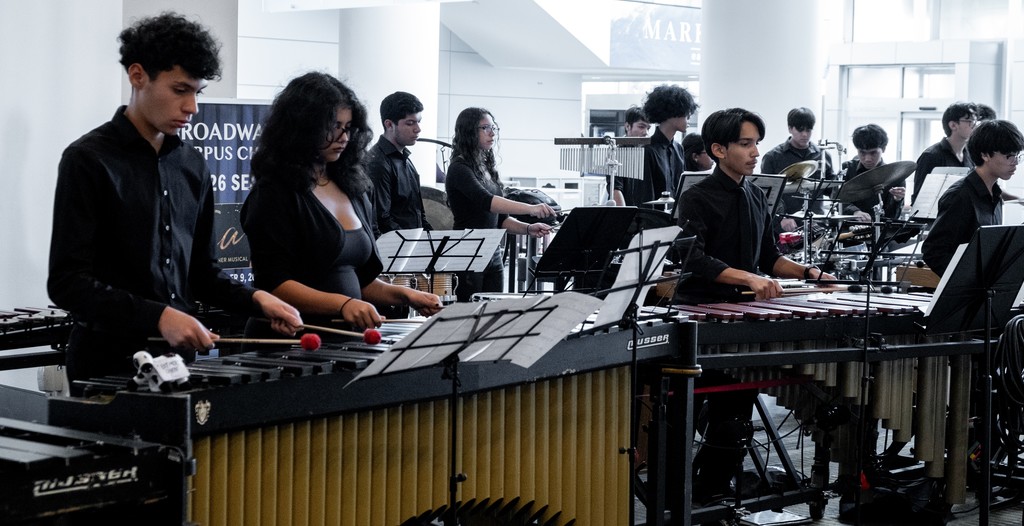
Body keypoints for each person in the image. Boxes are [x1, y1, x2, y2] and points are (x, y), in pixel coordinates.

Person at [47, 12, 303, 390]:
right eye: (180, 90)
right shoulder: (88, 160)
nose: (192, 108)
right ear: (138, 76)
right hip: (106, 363)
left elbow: (202, 274)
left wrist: (257, 300)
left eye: (197, 93)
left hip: (179, 363)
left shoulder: (192, 165)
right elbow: (68, 282)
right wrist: (159, 317)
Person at [673, 108, 836, 506]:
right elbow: (692, 259)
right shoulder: (696, 198)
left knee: (736, 415)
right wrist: (747, 278)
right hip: (702, 315)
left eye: (757, 143)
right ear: (718, 149)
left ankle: (714, 491)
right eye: (745, 144)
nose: (755, 152)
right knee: (704, 416)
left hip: (743, 317)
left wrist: (810, 272)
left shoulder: (754, 195)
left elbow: (769, 257)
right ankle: (687, 493)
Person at [241, 72, 443, 335]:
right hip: (293, 339)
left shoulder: (353, 188)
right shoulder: (274, 193)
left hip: (345, 339)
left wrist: (404, 295)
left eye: (347, 128)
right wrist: (343, 304)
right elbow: (273, 283)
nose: (343, 137)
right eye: (334, 126)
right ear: (301, 128)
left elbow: (357, 280)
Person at [444, 107, 556, 302]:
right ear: (469, 131)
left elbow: (500, 220)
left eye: (493, 127)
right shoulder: (459, 168)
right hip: (468, 252)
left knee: (493, 314)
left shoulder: (485, 167)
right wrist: (531, 208)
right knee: (468, 316)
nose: (492, 133)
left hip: (493, 252)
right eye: (485, 128)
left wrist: (528, 228)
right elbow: (487, 202)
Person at [922, 119, 1024, 276]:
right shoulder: (960, 195)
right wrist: (969, 281)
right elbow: (934, 252)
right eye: (1009, 156)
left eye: (1018, 155)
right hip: (967, 295)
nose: (1015, 162)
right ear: (985, 154)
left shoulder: (995, 195)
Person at [614, 85, 697, 207]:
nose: (689, 118)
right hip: (654, 221)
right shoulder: (647, 151)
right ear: (672, 113)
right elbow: (644, 198)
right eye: (685, 113)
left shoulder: (678, 149)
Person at [760, 107, 836, 233]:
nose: (805, 134)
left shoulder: (823, 156)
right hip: (785, 227)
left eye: (808, 129)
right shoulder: (772, 157)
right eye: (800, 130)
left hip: (816, 224)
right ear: (790, 128)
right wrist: (781, 217)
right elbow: (767, 193)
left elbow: (831, 189)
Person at [367, 91, 433, 235]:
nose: (418, 129)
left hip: (412, 246)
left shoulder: (406, 159)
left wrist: (432, 238)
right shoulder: (377, 163)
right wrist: (414, 243)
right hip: (396, 250)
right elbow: (381, 220)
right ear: (389, 124)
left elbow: (418, 213)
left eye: (418, 121)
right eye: (410, 123)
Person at [911, 101, 977, 203]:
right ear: (953, 125)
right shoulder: (930, 155)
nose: (974, 125)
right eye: (970, 121)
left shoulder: (970, 155)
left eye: (975, 121)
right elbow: (919, 198)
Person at [840, 124, 906, 220]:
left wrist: (897, 200)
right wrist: (854, 211)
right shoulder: (847, 168)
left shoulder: (896, 175)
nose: (867, 159)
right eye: (862, 152)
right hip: (848, 230)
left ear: (883, 149)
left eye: (873, 153)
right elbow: (837, 200)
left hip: (880, 232)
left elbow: (893, 217)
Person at [609, 105, 650, 206]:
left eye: (648, 128)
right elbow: (615, 189)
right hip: (628, 213)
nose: (646, 132)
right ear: (627, 126)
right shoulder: (616, 152)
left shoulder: (648, 151)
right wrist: (624, 216)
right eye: (641, 127)